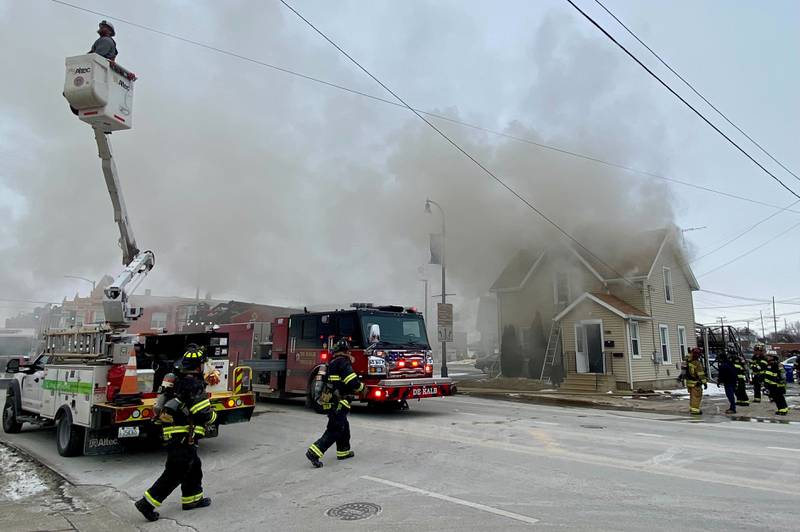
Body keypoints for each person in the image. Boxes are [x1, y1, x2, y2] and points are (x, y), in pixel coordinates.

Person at [135, 346, 217, 521]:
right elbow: (202, 413)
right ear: (198, 366)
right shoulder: (193, 384)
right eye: (203, 364)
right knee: (175, 472)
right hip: (183, 435)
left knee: (194, 466)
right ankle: (147, 504)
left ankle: (192, 499)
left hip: (176, 432)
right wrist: (214, 415)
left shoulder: (178, 379)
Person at [306, 339, 365, 468]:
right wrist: (362, 388)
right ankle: (314, 452)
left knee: (344, 425)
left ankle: (343, 451)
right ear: (345, 351)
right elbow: (352, 381)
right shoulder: (343, 362)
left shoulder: (333, 362)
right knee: (335, 428)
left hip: (333, 400)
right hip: (340, 401)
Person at [685, 347, 707, 415]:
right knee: (697, 396)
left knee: (693, 396)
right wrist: (704, 382)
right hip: (696, 382)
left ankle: (692, 408)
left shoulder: (687, 361)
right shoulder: (697, 363)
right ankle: (695, 409)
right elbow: (701, 374)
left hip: (689, 382)